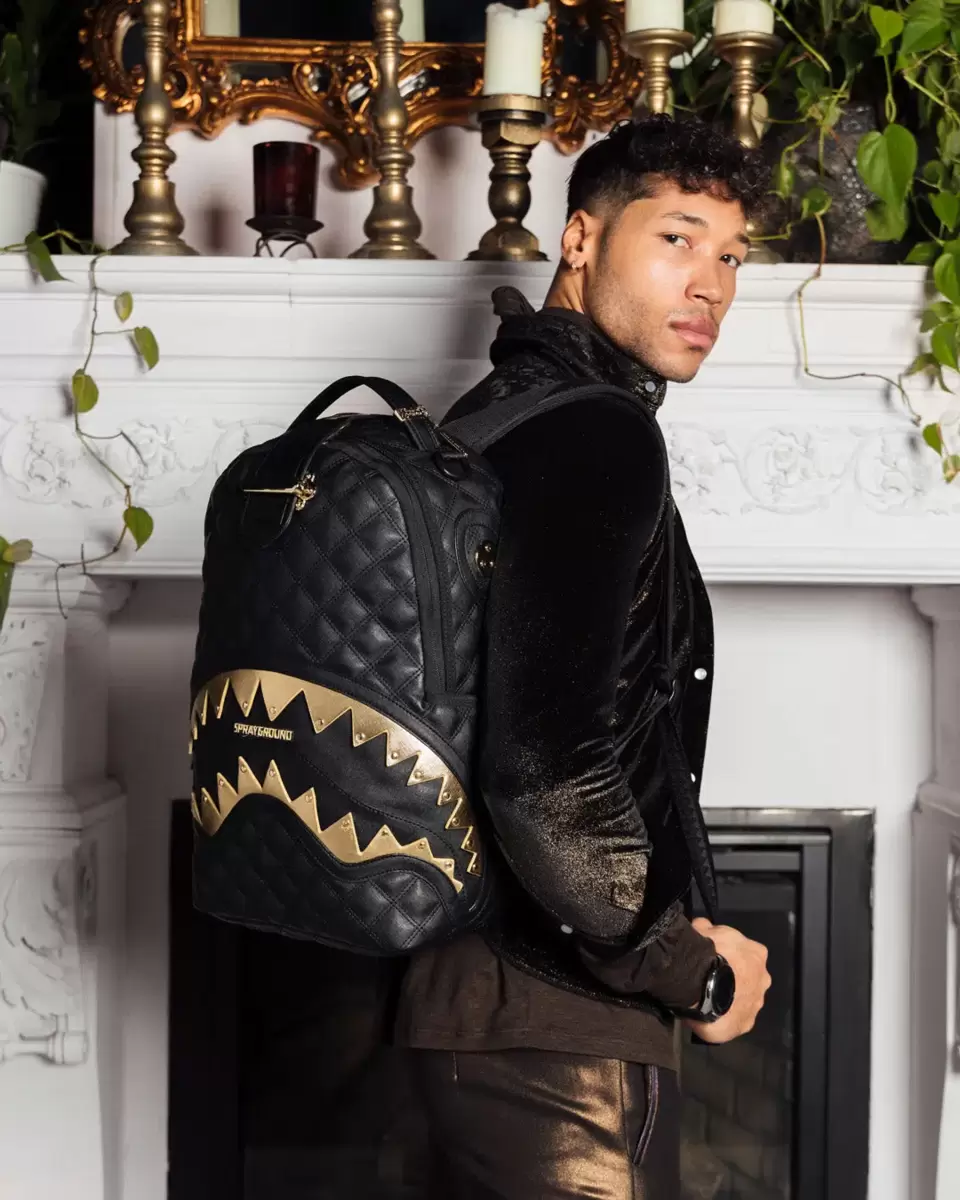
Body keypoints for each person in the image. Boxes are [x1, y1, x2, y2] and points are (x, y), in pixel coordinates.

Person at [394, 115, 774, 1198]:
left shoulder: (493, 416)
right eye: (677, 238)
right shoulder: (595, 432)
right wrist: (691, 970)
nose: (710, 285)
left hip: (475, 1007)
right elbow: (543, 770)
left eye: (732, 258)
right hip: (555, 1033)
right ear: (580, 240)